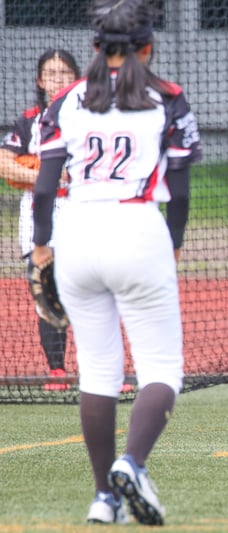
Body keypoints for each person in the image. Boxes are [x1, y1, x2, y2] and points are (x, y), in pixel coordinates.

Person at [30, 0, 200, 524]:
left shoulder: (64, 100)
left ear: (94, 48)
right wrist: (170, 245)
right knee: (162, 369)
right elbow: (180, 190)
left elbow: (42, 188)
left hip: (76, 230)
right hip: (138, 227)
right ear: (148, 47)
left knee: (97, 373)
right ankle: (134, 462)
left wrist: (42, 248)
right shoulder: (167, 97)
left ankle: (104, 496)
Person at [0, 49, 80, 391]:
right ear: (40, 80)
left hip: (83, 211)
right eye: (51, 73)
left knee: (92, 288)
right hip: (40, 211)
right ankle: (57, 369)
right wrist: (47, 176)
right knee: (47, 290)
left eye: (65, 72)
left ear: (77, 78)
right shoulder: (29, 120)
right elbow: (5, 164)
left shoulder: (91, 116)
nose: (58, 78)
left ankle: (101, 369)